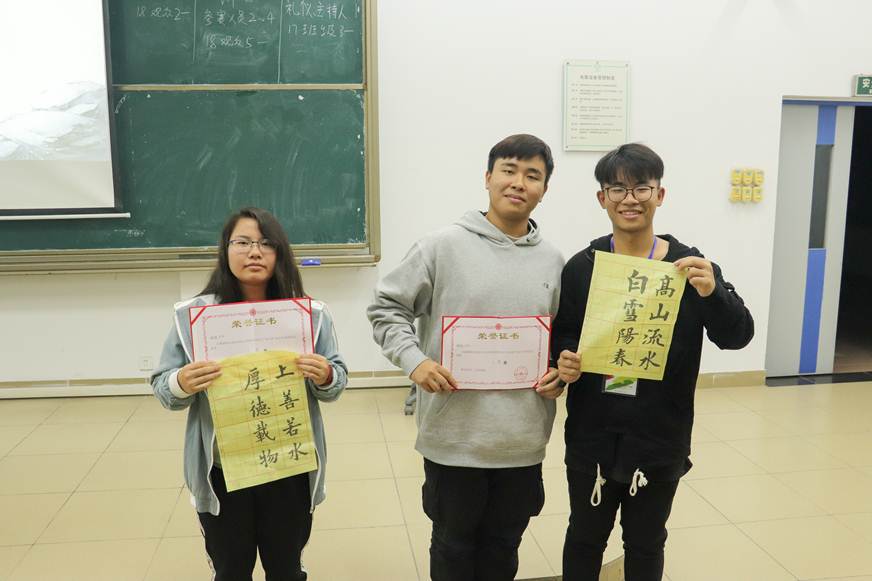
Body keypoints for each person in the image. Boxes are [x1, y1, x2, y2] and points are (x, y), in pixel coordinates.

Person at [367, 134, 566, 581]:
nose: (518, 183)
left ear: (544, 189)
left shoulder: (554, 260)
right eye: (509, 170)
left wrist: (558, 372)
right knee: (453, 547)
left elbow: (559, 339)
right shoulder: (441, 246)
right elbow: (386, 308)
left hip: (521, 441)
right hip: (455, 439)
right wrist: (415, 361)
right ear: (488, 177)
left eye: (532, 175)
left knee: (503, 546)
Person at [552, 143, 754, 581]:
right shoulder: (583, 267)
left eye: (641, 188)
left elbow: (737, 336)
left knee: (645, 543)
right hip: (593, 434)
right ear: (602, 198)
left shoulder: (690, 268)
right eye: (618, 189)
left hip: (658, 435)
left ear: (659, 195)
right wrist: (563, 359)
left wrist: (712, 294)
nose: (630, 199)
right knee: (584, 537)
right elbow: (564, 332)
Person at [151, 207, 348, 581]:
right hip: (223, 469)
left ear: (280, 252)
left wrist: (325, 375)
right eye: (242, 242)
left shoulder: (309, 314)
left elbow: (336, 382)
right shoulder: (195, 316)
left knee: (286, 569)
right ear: (225, 250)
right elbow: (164, 389)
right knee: (231, 570)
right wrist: (182, 382)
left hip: (289, 464)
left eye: (266, 243)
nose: (254, 252)